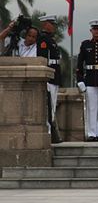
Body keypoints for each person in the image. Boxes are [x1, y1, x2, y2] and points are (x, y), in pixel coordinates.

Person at [38, 15, 63, 143]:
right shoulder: (43, 39)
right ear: (45, 24)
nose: (53, 27)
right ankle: (48, 132)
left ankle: (51, 131)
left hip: (55, 74)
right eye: (51, 24)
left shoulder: (51, 39)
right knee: (48, 106)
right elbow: (43, 59)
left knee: (52, 105)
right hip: (50, 76)